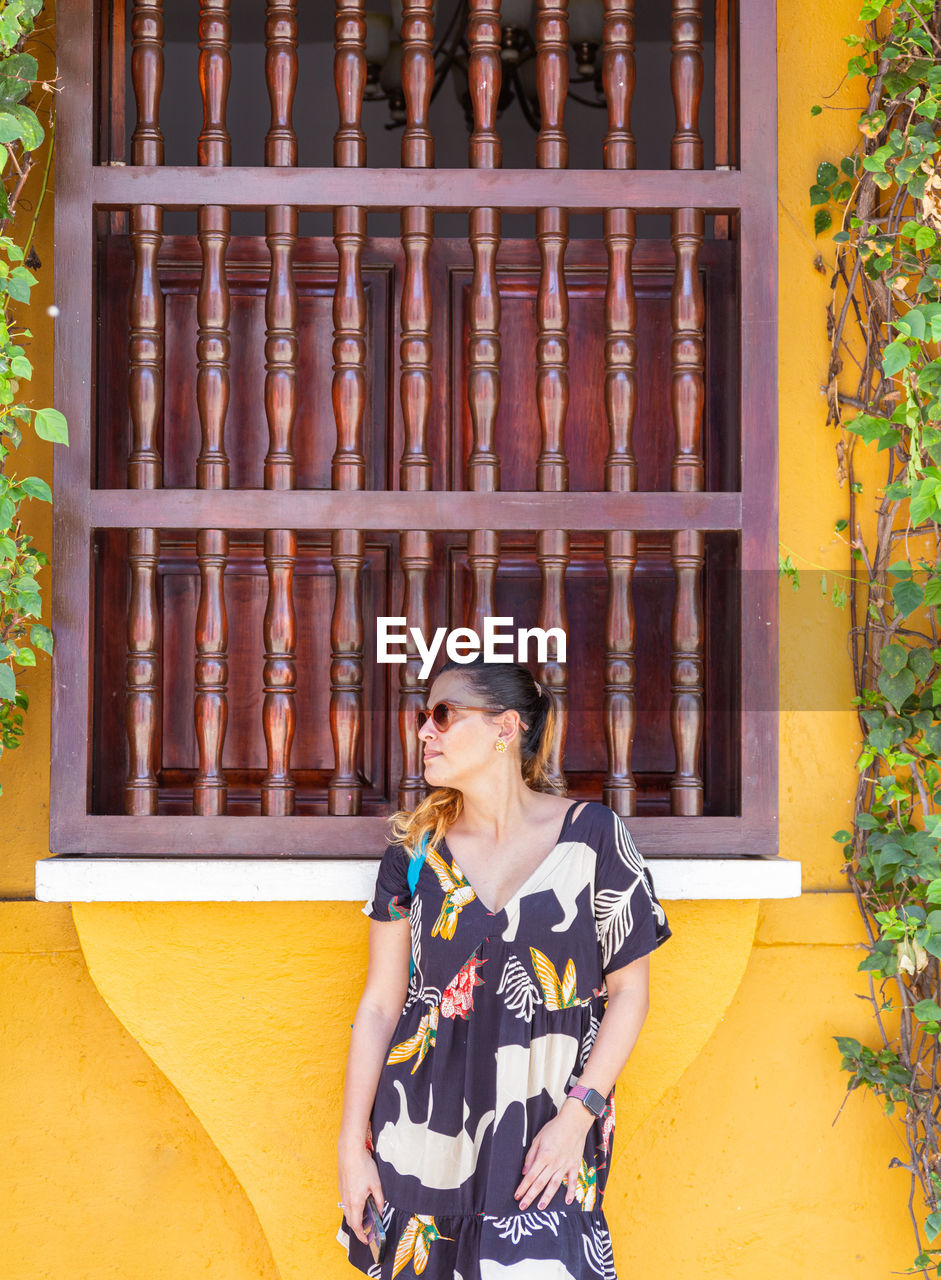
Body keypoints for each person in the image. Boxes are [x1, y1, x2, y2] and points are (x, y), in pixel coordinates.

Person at [336, 655, 671, 1278]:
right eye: (422, 717)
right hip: (421, 1142)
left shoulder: (593, 838)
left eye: (443, 714)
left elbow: (630, 993)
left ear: (505, 727)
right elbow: (381, 1006)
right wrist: (352, 1148)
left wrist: (578, 1116)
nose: (424, 732)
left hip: (545, 1140)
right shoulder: (413, 854)